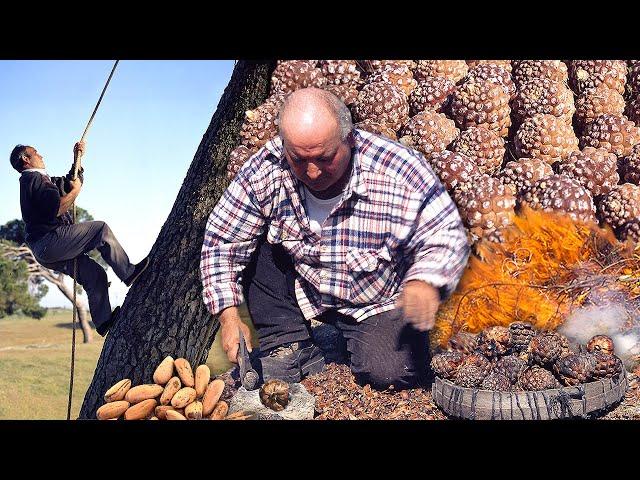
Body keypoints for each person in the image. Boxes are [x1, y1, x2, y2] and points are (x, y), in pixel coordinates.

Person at [200, 87, 470, 390]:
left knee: (390, 372)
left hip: (374, 300)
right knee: (250, 233)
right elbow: (221, 241)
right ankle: (288, 341)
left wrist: (425, 280)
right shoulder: (266, 167)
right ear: (284, 145)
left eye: (325, 158)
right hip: (306, 287)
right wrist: (228, 316)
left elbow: (445, 232)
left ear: (350, 138)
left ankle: (368, 338)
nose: (313, 172)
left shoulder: (399, 170)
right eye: (299, 159)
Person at [10, 142, 149, 336]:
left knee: (96, 275)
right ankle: (129, 273)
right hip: (50, 241)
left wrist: (77, 158)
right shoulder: (33, 179)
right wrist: (75, 192)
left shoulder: (40, 180)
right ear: (26, 159)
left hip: (45, 251)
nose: (41, 155)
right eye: (36, 153)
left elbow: (69, 182)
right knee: (100, 229)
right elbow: (56, 210)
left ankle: (103, 323)